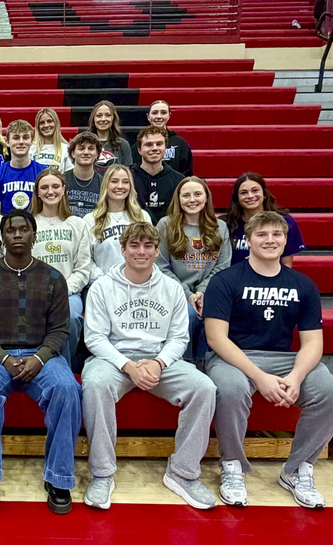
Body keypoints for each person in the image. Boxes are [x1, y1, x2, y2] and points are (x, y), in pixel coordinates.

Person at [83, 221, 217, 511]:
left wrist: (158, 363)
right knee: (94, 384)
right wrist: (128, 366)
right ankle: (102, 473)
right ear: (123, 250)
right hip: (114, 359)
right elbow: (94, 337)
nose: (140, 252)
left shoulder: (171, 288)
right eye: (134, 245)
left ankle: (183, 472)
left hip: (160, 359)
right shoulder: (102, 287)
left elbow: (179, 336)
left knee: (204, 388)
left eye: (147, 246)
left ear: (157, 250)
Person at [204, 210, 333, 509]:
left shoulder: (303, 285)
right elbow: (216, 339)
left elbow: (313, 342)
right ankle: (233, 465)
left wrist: (296, 377)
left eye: (277, 234)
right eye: (262, 234)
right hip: (233, 358)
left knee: (328, 388)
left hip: (284, 359)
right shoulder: (225, 280)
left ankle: (297, 469)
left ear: (286, 240)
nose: (270, 240)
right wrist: (260, 378)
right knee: (231, 388)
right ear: (248, 240)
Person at [0, 210, 80, 520]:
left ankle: (58, 479)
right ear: (2, 237)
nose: (17, 234)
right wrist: (3, 358)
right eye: (11, 230)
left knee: (68, 388)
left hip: (40, 355)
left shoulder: (53, 278)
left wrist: (39, 357)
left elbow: (60, 330)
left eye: (23, 229)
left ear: (34, 236)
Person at [156, 177, 230, 360]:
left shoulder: (220, 227)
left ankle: (206, 363)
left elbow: (222, 267)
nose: (192, 200)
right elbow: (160, 266)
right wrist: (187, 294)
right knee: (187, 313)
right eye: (186, 195)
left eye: (197, 194)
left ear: (206, 198)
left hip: (210, 292)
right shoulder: (166, 225)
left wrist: (203, 292)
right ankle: (185, 362)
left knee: (212, 313)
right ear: (178, 199)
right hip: (175, 291)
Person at [31, 169, 90, 365]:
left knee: (71, 317)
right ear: (37, 192)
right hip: (34, 292)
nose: (50, 191)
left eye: (55, 186)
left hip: (68, 292)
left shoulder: (78, 224)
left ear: (64, 189)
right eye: (44, 187)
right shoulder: (28, 224)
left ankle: (64, 366)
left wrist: (61, 290)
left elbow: (82, 269)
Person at [222, 172, 306, 268]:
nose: (250, 196)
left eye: (255, 190)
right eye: (243, 193)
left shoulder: (285, 222)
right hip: (233, 279)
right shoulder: (225, 224)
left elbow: (286, 264)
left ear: (264, 193)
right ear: (237, 198)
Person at [83, 165, 151, 281]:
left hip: (139, 284)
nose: (120, 186)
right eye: (114, 181)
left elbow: (150, 252)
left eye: (125, 182)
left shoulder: (142, 216)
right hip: (104, 286)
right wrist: (105, 281)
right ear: (106, 185)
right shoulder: (90, 220)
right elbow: (86, 260)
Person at [0, 120, 45, 215]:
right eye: (16, 138)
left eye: (25, 138)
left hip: (36, 225)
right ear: (7, 142)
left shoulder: (43, 172)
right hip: (6, 226)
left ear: (32, 141)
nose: (21, 142)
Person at [131, 126, 184, 225]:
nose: (154, 148)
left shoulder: (179, 180)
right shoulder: (128, 179)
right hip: (137, 237)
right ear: (139, 150)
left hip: (170, 236)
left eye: (159, 144)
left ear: (165, 147)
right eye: (149, 145)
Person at [130, 99, 193, 176]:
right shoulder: (138, 146)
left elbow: (186, 173)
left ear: (169, 116)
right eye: (154, 113)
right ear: (148, 117)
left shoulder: (181, 144)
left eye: (163, 113)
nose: (159, 116)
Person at [63, 131, 103, 218]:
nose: (86, 152)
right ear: (73, 153)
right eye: (81, 148)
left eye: (91, 148)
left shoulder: (104, 183)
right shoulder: (61, 180)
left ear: (97, 155)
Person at [86, 101, 133, 169]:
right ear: (93, 119)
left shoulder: (123, 144)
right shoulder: (84, 143)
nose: (103, 119)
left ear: (113, 119)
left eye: (108, 115)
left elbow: (126, 172)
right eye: (99, 116)